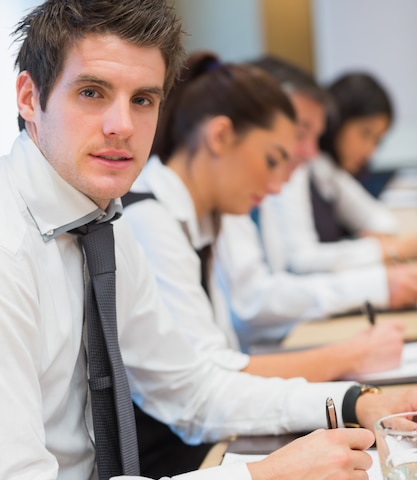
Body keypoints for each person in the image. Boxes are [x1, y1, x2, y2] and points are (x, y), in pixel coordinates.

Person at [2, 2, 417, 480]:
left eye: (143, 99)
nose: (122, 124)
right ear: (29, 97)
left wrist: (349, 400)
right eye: (93, 92)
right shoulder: (12, 245)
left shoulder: (100, 222)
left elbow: (190, 388)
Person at [124, 51, 403, 387]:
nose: (277, 185)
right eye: (273, 159)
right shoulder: (150, 219)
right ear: (220, 136)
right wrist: (349, 366)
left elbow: (220, 363)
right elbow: (212, 377)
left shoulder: (213, 206)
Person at [210, 55, 417, 349]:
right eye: (299, 132)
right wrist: (378, 276)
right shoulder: (159, 209)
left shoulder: (274, 179)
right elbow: (255, 301)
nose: (308, 152)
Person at [266, 68, 417, 275]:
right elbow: (300, 262)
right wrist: (385, 250)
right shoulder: (294, 170)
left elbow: (381, 219)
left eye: (377, 141)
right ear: (338, 122)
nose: (370, 151)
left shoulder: (324, 169)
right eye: (365, 134)